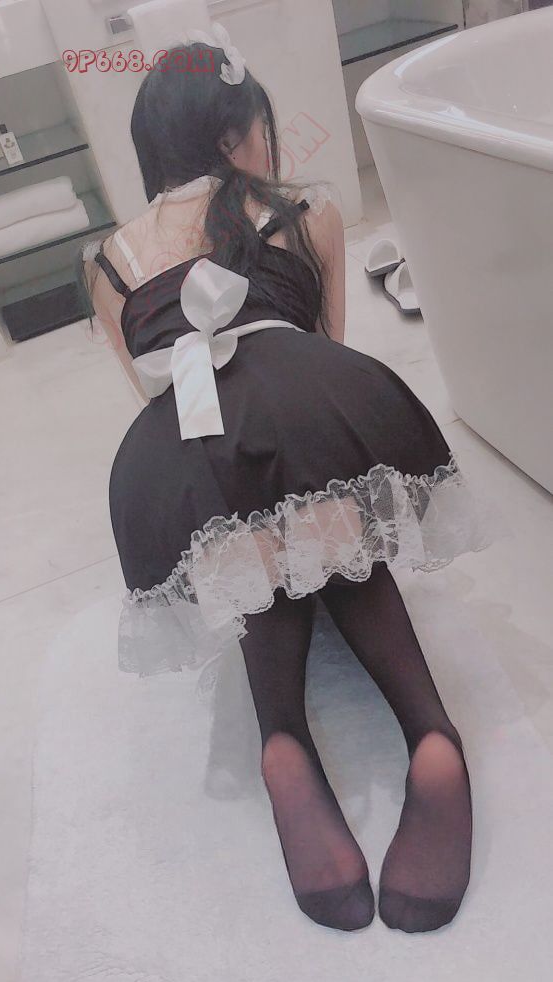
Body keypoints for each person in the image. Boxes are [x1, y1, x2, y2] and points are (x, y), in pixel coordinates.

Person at [79, 25, 499, 935]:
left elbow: (151, 390)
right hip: (306, 397)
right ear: (235, 133)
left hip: (177, 443)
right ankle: (431, 735)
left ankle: (281, 739)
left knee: (249, 536)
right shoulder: (306, 210)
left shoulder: (106, 263)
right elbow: (322, 350)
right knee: (325, 513)